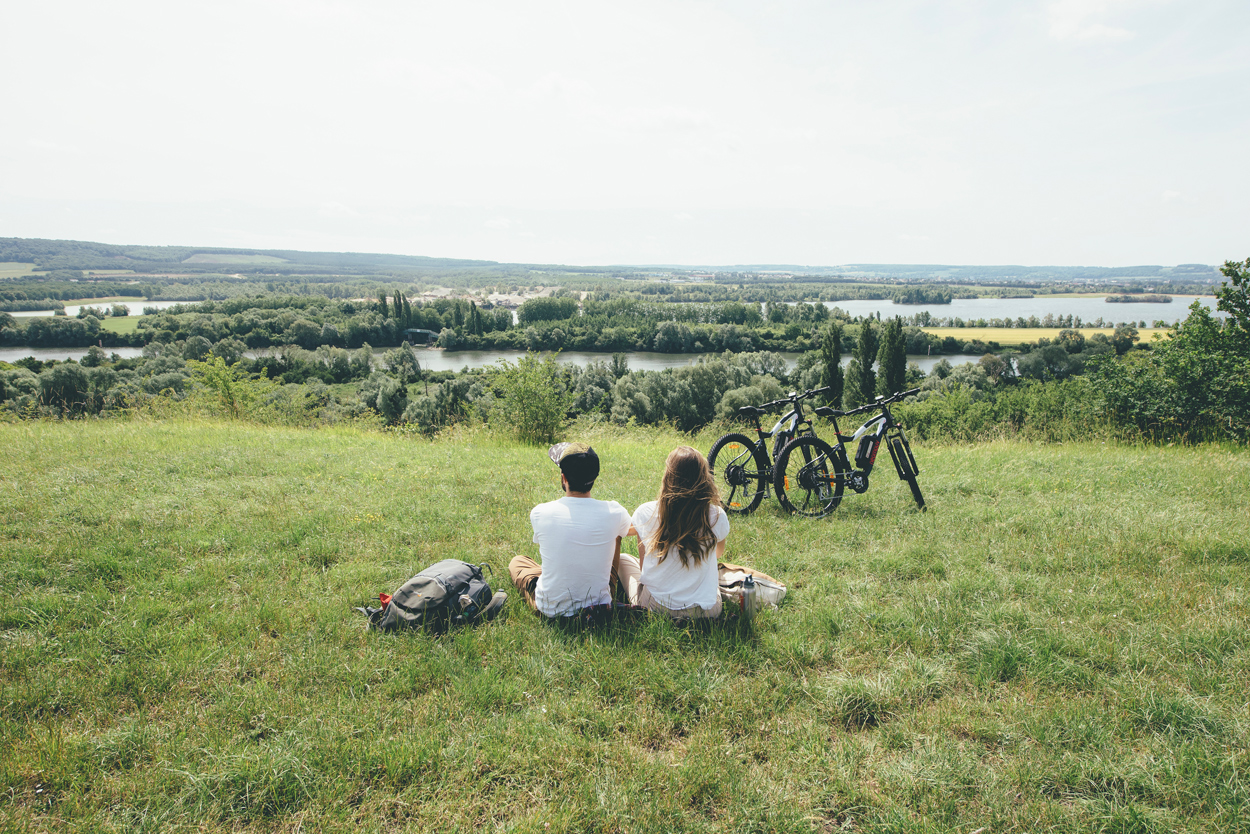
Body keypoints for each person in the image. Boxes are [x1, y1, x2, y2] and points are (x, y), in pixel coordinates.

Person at [509, 442, 633, 618]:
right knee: (616, 533)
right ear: (595, 477)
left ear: (564, 478)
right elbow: (630, 530)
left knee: (517, 562)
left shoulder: (540, 512)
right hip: (599, 605)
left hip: (552, 610)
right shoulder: (614, 512)